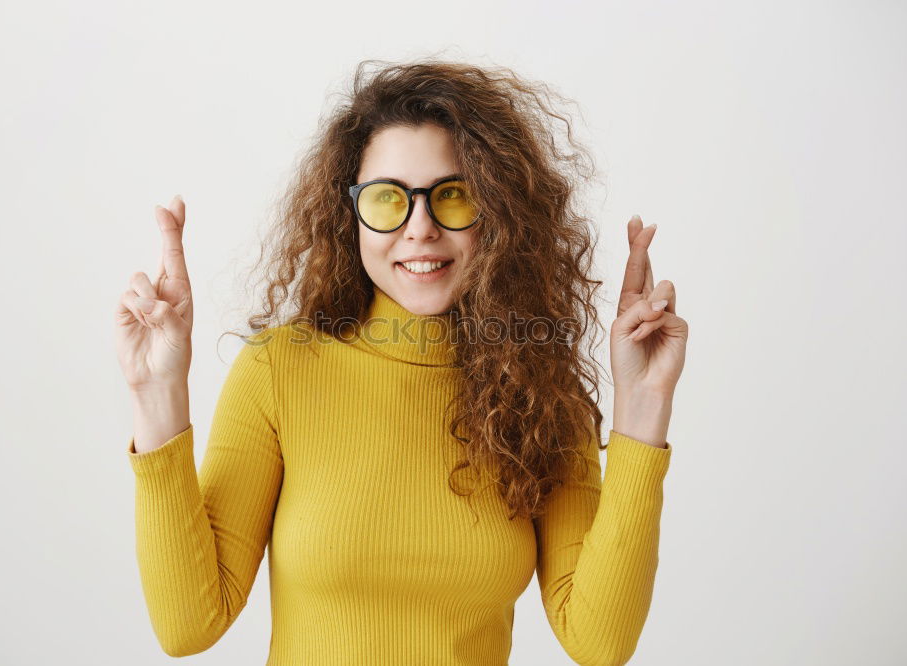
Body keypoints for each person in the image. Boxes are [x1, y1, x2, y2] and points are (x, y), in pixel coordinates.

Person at [115, 58, 688, 665]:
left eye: (453, 196)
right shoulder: (279, 372)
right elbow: (188, 625)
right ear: (351, 214)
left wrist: (644, 403)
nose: (420, 229)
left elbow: (600, 642)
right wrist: (157, 391)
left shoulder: (542, 394)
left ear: (498, 212)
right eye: (389, 200)